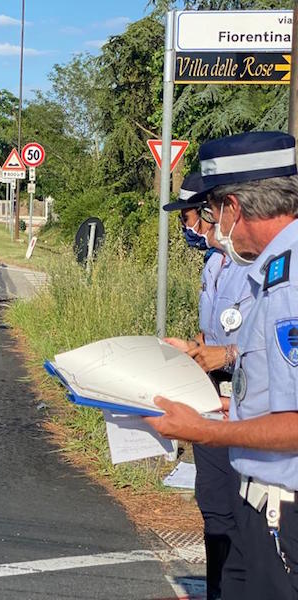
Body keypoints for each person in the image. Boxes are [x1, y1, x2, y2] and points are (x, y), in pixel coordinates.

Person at [145, 131, 298, 600]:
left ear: (233, 207)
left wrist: (207, 430)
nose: (210, 225)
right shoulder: (275, 269)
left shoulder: (286, 283)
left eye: (211, 213)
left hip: (281, 507)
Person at [162, 173, 252, 600]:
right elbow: (211, 336)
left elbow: (272, 341)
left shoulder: (256, 265)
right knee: (214, 504)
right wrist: (193, 349)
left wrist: (227, 356)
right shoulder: (214, 263)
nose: (188, 227)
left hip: (248, 402)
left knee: (244, 512)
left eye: (191, 217)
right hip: (210, 397)